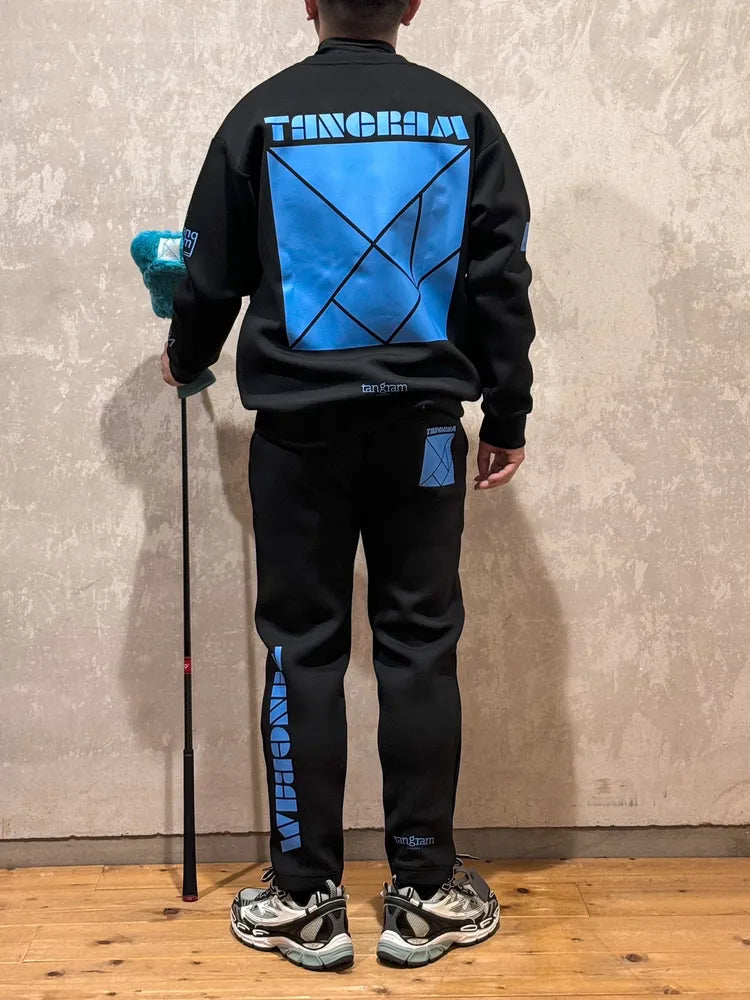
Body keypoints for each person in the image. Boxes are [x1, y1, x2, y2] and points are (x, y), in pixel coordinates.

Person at [162, 0, 535, 973]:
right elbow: (499, 281)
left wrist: (184, 355)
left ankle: (303, 899)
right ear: (411, 5)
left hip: (299, 438)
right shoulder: (461, 117)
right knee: (420, 648)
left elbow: (211, 275)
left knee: (302, 650)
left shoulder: (259, 117)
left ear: (308, 2)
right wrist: (507, 415)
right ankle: (427, 891)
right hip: (425, 436)